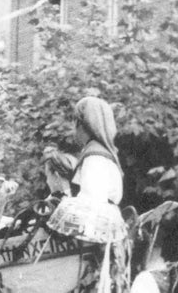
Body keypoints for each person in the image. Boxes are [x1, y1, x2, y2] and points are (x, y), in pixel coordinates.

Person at [47, 96, 125, 243]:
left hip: (99, 234)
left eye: (74, 123)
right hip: (107, 229)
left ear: (82, 124)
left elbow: (91, 205)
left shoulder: (94, 157)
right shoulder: (101, 153)